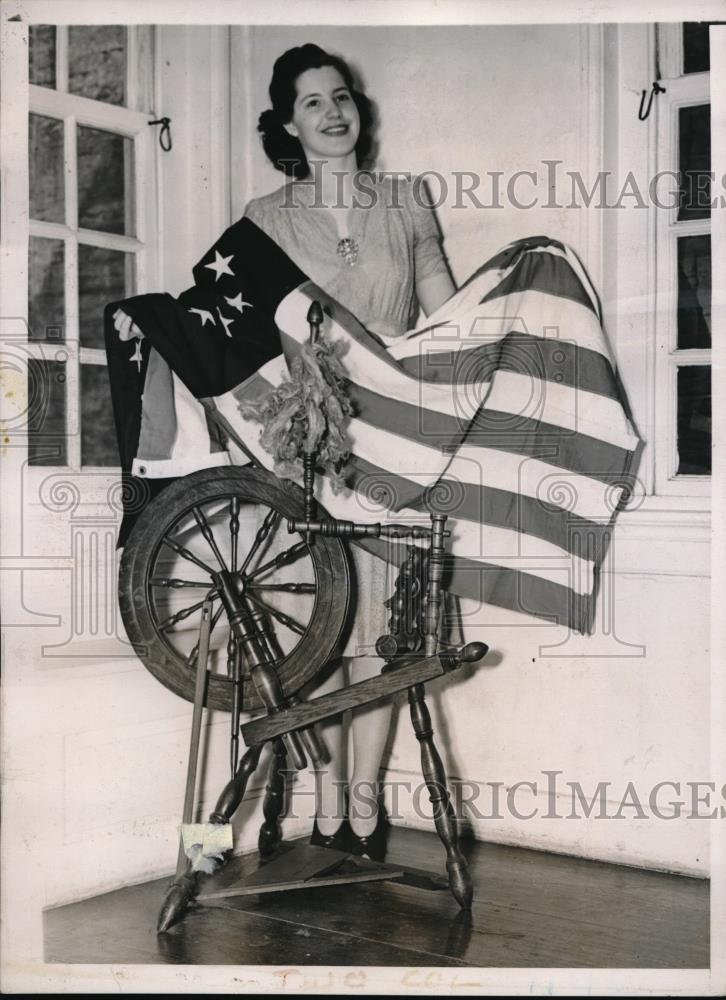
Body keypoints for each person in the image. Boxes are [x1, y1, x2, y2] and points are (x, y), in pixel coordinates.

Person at [244, 44, 455, 859]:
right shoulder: (263, 218)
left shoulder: (406, 202)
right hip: (308, 445)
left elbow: (444, 318)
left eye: (343, 97)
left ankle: (362, 803)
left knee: (382, 626)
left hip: (396, 441)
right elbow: (261, 345)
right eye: (312, 103)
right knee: (323, 621)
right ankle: (330, 794)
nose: (334, 112)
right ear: (289, 125)